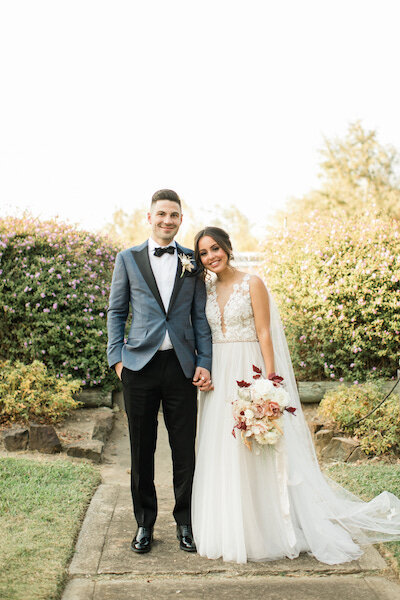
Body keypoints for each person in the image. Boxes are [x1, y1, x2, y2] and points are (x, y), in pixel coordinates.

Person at [191, 226, 400, 565]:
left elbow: (263, 331)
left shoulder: (252, 282)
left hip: (249, 369)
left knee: (260, 449)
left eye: (215, 248)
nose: (210, 256)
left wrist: (270, 382)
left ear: (228, 247)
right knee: (223, 448)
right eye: (203, 252)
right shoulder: (204, 289)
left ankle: (266, 527)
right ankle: (230, 527)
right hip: (219, 374)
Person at [107, 190, 212, 554]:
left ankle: (185, 522)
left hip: (182, 367)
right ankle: (144, 524)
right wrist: (116, 360)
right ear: (149, 217)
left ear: (181, 220)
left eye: (175, 215)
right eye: (162, 214)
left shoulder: (191, 262)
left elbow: (199, 317)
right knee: (142, 449)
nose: (168, 220)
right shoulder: (128, 259)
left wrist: (204, 362)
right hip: (138, 367)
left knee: (184, 449)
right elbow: (116, 312)